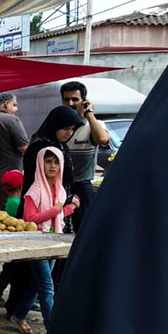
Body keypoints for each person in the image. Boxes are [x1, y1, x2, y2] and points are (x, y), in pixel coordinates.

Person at [44, 38, 168, 334]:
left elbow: (104, 140)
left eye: (78, 100)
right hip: (68, 201)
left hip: (84, 197)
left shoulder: (105, 127)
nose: (73, 106)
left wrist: (89, 115)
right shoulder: (55, 135)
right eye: (69, 102)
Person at [9, 147, 80, 334]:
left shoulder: (60, 190)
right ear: (41, 163)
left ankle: (19, 314)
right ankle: (54, 331)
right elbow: (29, 219)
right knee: (47, 288)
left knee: (38, 283)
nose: (52, 166)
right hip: (36, 244)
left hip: (54, 242)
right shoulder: (35, 190)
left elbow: (57, 218)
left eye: (56, 162)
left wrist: (70, 207)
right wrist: (55, 210)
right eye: (48, 161)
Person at [61, 81, 110, 233]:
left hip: (82, 186)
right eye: (66, 99)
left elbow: (102, 140)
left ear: (84, 100)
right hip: (59, 187)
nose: (70, 103)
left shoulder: (93, 125)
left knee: (84, 230)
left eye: (75, 99)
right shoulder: (58, 125)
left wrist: (89, 114)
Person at [0, 170, 23, 307]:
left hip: (12, 242)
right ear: (21, 187)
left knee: (8, 271)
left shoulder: (10, 201)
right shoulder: (17, 204)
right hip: (15, 243)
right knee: (9, 272)